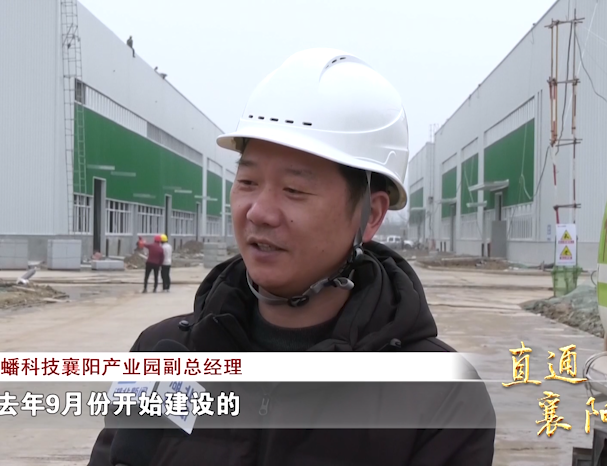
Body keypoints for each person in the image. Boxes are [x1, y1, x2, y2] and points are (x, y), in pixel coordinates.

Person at [88, 48, 495, 465]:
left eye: (295, 190)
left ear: (370, 215)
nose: (259, 212)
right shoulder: (164, 355)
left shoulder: (439, 396)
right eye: (248, 181)